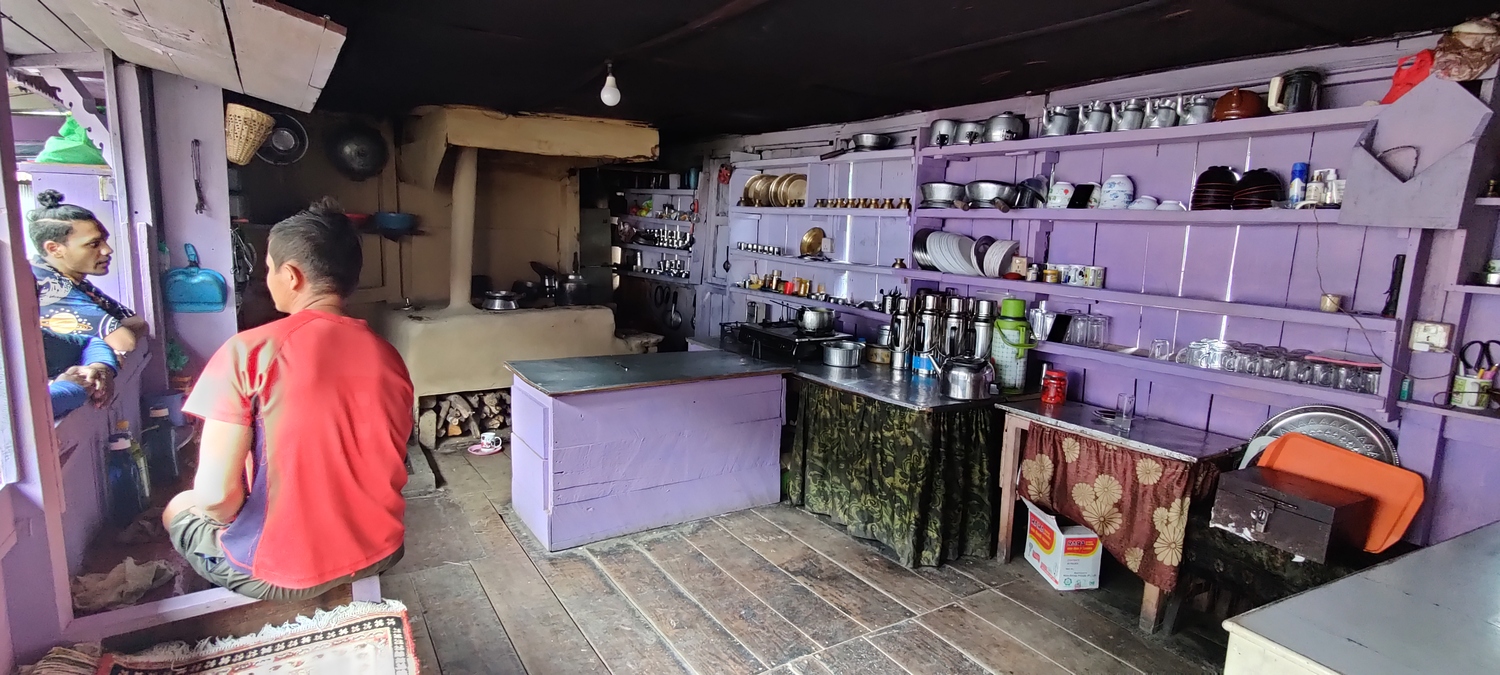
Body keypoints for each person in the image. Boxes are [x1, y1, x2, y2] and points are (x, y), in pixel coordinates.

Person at [162, 198, 414, 600]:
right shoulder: (388, 355)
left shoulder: (249, 352)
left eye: (268, 269)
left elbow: (216, 499)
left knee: (179, 507)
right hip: (382, 547)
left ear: (292, 276)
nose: (268, 278)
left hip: (286, 571)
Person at [28, 190, 145, 354]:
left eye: (104, 240)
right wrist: (115, 329)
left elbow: (139, 323)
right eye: (94, 244)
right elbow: (124, 342)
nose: (107, 250)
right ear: (54, 249)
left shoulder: (72, 279)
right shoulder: (53, 287)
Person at [43, 329, 117, 418]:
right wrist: (68, 389)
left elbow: (89, 344)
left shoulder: (28, 340)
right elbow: (30, 410)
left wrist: (100, 369)